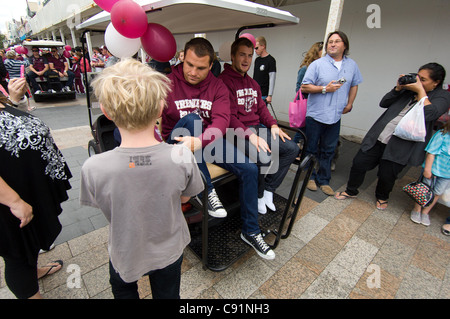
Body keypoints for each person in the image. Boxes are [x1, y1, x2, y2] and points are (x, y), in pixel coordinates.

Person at [80, 58, 204, 299]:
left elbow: (106, 205)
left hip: (125, 250)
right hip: (168, 248)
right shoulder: (181, 155)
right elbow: (185, 197)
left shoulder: (93, 167)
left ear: (105, 111)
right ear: (160, 108)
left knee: (123, 289)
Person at [161, 37, 275, 260]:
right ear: (183, 58)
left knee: (250, 169)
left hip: (204, 142)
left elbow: (222, 121)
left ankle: (251, 231)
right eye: (190, 65)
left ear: (211, 64)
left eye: (201, 68)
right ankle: (207, 190)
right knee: (193, 118)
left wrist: (201, 141)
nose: (193, 72)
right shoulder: (167, 83)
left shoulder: (216, 85)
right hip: (176, 142)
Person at [335, 62, 450, 210]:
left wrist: (420, 91)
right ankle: (351, 190)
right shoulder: (408, 89)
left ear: (436, 82)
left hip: (403, 144)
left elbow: (430, 114)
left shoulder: (442, 96)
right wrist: (398, 88)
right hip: (380, 135)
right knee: (359, 163)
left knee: (387, 174)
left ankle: (382, 196)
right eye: (418, 77)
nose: (418, 82)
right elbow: (384, 103)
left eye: (423, 80)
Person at [0, 77, 71, 299]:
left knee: (29, 243)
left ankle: (34, 271)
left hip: (28, 186)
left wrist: (13, 100)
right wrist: (13, 201)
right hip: (9, 199)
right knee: (17, 254)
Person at [219, 37, 298, 215]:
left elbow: (262, 109)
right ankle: (258, 195)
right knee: (264, 156)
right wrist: (251, 136)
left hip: (257, 128)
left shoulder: (253, 83)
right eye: (242, 55)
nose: (246, 60)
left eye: (249, 55)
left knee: (291, 149)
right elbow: (229, 118)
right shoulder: (223, 82)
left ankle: (268, 189)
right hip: (235, 132)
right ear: (232, 56)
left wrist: (274, 126)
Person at [301, 31, 363, 196]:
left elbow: (354, 84)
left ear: (345, 46)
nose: (332, 44)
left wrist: (350, 103)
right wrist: (324, 89)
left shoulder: (351, 66)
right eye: (330, 42)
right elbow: (305, 87)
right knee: (311, 148)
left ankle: (324, 180)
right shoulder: (317, 64)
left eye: (337, 41)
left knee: (329, 149)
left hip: (335, 116)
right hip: (316, 115)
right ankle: (309, 177)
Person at [409, 121, 450, 226]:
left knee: (437, 193)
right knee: (424, 190)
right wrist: (427, 169)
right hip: (433, 170)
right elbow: (431, 153)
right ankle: (417, 210)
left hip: (447, 174)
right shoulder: (442, 134)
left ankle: (425, 212)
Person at [293, 41, 323, 145]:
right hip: (305, 105)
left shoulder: (320, 68)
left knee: (307, 132)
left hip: (314, 106)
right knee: (301, 131)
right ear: (316, 52)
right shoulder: (305, 69)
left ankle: (298, 152)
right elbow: (298, 88)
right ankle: (293, 152)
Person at [253, 36, 276, 105]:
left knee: (261, 114)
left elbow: (272, 78)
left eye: (256, 48)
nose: (255, 50)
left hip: (263, 94)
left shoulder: (271, 60)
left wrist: (270, 95)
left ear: (263, 46)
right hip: (254, 93)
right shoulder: (257, 60)